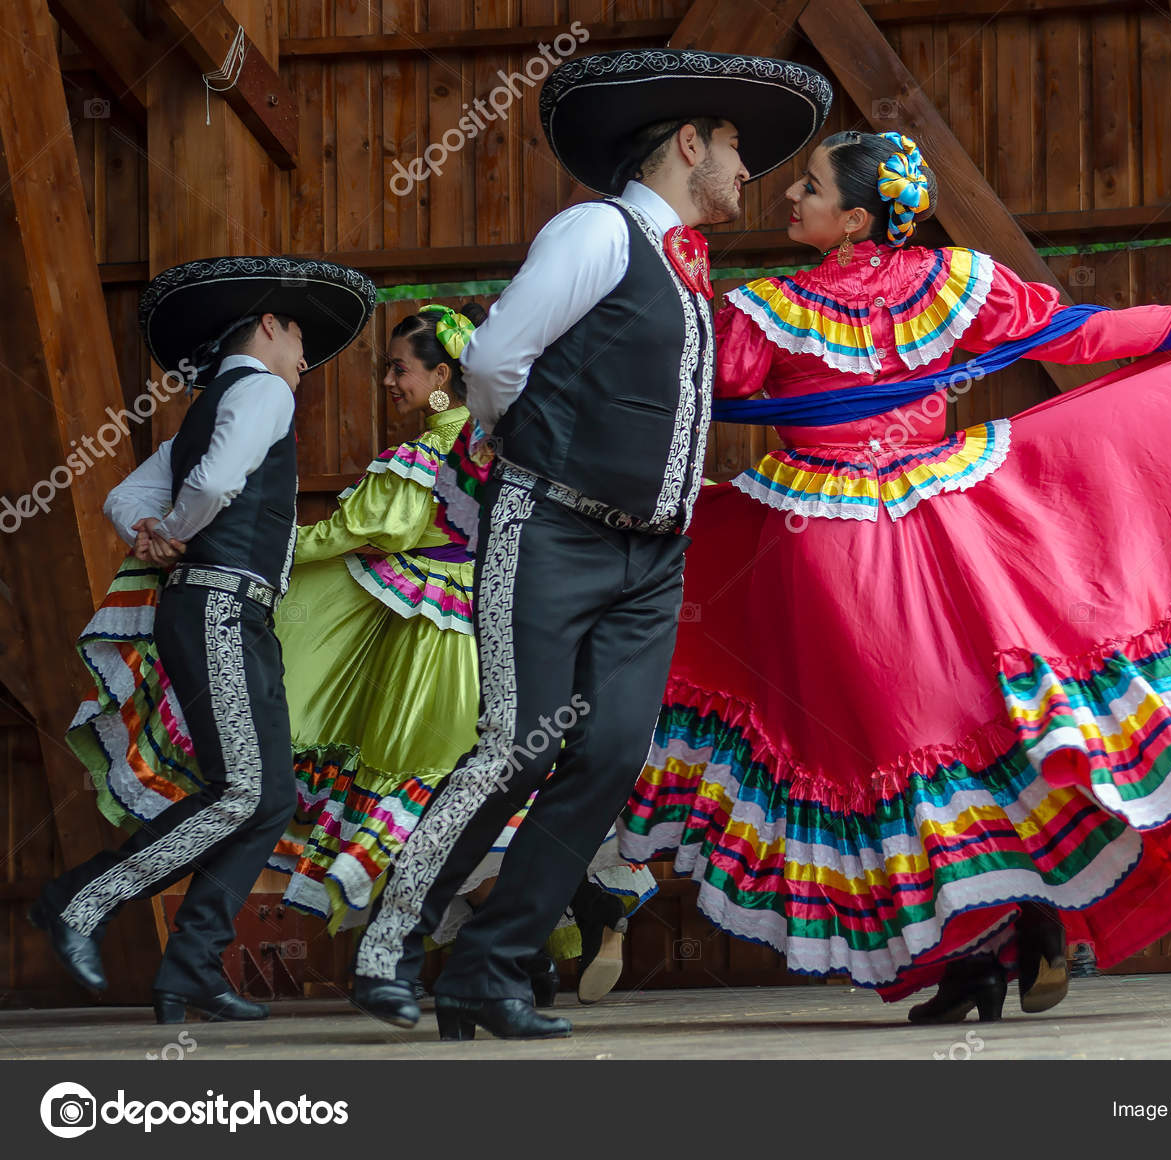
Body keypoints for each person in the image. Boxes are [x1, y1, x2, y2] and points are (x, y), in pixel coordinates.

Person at [617, 131, 1171, 1021]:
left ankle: (976, 951)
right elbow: (1081, 334)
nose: (788, 198)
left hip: (830, 545)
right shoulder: (955, 281)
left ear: (855, 220)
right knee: (983, 723)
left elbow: (687, 387)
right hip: (947, 526)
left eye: (808, 188)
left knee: (883, 745)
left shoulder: (765, 309)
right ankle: (1024, 920)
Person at [348, 48, 834, 1040]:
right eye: (736, 147)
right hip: (553, 528)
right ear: (689, 144)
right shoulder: (596, 230)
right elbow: (492, 361)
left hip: (653, 557)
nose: (749, 173)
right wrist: (536, 454)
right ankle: (390, 940)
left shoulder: (686, 270)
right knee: (514, 749)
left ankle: (488, 966)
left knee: (610, 757)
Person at [69, 302, 655, 1007]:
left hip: (429, 646)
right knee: (463, 788)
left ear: (443, 375)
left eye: (398, 368)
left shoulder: (424, 450)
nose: (386, 381)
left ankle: (96, 909)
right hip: (497, 630)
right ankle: (531, 940)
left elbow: (354, 530)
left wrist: (218, 539)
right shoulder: (501, 444)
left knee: (397, 790)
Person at [30, 256, 375, 1023]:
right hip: (219, 603)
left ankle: (189, 967)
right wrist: (179, 534)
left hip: (229, 612)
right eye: (300, 343)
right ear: (270, 326)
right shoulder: (259, 390)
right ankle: (79, 901)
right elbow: (215, 487)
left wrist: (152, 532)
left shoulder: (209, 406)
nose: (305, 362)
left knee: (268, 794)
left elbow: (126, 499)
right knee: (247, 789)